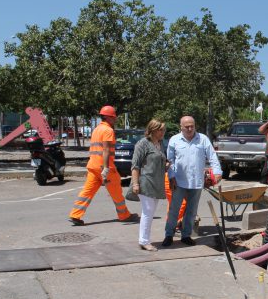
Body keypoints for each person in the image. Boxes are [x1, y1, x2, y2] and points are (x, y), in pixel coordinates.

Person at [68, 105, 138, 225]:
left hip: (93, 165)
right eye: (113, 117)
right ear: (108, 117)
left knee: (87, 191)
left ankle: (75, 214)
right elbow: (105, 150)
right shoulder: (108, 130)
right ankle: (124, 215)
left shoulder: (97, 129)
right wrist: (106, 168)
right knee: (116, 191)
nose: (115, 119)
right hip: (104, 166)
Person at [163, 115, 222, 247]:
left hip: (196, 181)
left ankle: (186, 235)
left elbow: (212, 156)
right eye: (187, 126)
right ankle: (168, 235)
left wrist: (217, 172)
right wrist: (171, 177)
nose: (190, 129)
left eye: (192, 126)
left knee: (191, 211)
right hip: (178, 181)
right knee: (174, 210)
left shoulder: (203, 139)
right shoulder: (174, 140)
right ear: (181, 127)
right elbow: (169, 161)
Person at [131, 119, 167, 251]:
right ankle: (144, 241)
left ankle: (145, 239)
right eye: (161, 130)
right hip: (145, 182)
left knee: (150, 212)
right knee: (148, 212)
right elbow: (135, 166)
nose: (163, 132)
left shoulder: (160, 143)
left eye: (164, 130)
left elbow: (159, 160)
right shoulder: (143, 144)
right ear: (153, 130)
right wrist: (135, 184)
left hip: (157, 183)